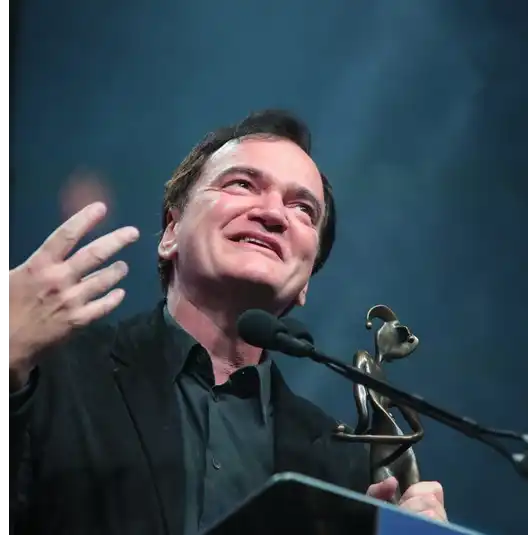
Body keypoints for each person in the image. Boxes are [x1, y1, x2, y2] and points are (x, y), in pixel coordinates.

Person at [8, 109, 447, 535]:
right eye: (242, 184)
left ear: (305, 284)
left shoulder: (343, 470)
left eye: (303, 210)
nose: (273, 214)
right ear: (170, 233)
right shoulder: (48, 372)